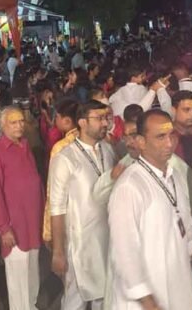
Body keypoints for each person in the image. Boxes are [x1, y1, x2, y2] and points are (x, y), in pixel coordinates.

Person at [108, 110, 192, 309]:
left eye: (171, 135)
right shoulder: (130, 186)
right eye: (160, 137)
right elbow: (124, 254)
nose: (169, 143)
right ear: (141, 141)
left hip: (179, 288)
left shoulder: (174, 176)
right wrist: (149, 303)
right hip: (145, 300)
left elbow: (186, 227)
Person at [49, 100, 121, 309]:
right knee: (75, 300)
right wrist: (58, 251)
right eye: (98, 119)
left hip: (107, 239)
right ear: (82, 122)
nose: (105, 123)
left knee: (105, 298)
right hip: (79, 244)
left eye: (106, 118)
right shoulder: (65, 158)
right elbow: (57, 208)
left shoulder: (108, 150)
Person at [0, 106, 44, 310]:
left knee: (32, 272)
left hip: (33, 223)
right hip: (14, 228)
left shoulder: (25, 145)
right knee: (18, 278)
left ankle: (31, 306)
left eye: (21, 121)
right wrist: (3, 227)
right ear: (2, 125)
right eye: (13, 122)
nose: (19, 126)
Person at [42, 98, 80, 244]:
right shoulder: (88, 140)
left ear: (67, 121)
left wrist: (48, 230)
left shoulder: (61, 147)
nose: (55, 119)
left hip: (67, 213)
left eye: (56, 116)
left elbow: (54, 190)